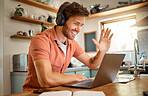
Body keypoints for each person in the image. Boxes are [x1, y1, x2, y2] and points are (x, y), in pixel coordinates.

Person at [23, 2, 113, 91]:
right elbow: (46, 79)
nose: (78, 29)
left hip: (55, 91)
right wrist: (76, 77)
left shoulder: (72, 43)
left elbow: (92, 64)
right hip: (34, 93)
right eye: (76, 23)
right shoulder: (41, 40)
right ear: (62, 20)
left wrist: (102, 51)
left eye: (81, 25)